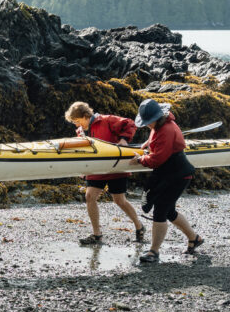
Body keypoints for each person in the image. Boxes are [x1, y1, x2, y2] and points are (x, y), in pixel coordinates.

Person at [129, 99, 203, 263]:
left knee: (160, 211)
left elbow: (157, 159)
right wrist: (147, 144)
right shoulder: (160, 124)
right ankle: (194, 238)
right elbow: (156, 138)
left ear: (157, 117)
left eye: (149, 122)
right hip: (170, 173)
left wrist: (141, 160)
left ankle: (153, 252)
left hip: (178, 174)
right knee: (169, 211)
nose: (147, 125)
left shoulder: (166, 130)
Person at [64, 101, 145, 245]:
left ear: (85, 116)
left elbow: (130, 123)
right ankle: (97, 235)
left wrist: (124, 140)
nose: (76, 125)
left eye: (77, 121)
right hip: (96, 168)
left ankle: (139, 227)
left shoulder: (106, 120)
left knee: (119, 200)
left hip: (115, 167)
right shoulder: (80, 131)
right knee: (89, 196)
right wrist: (82, 169)